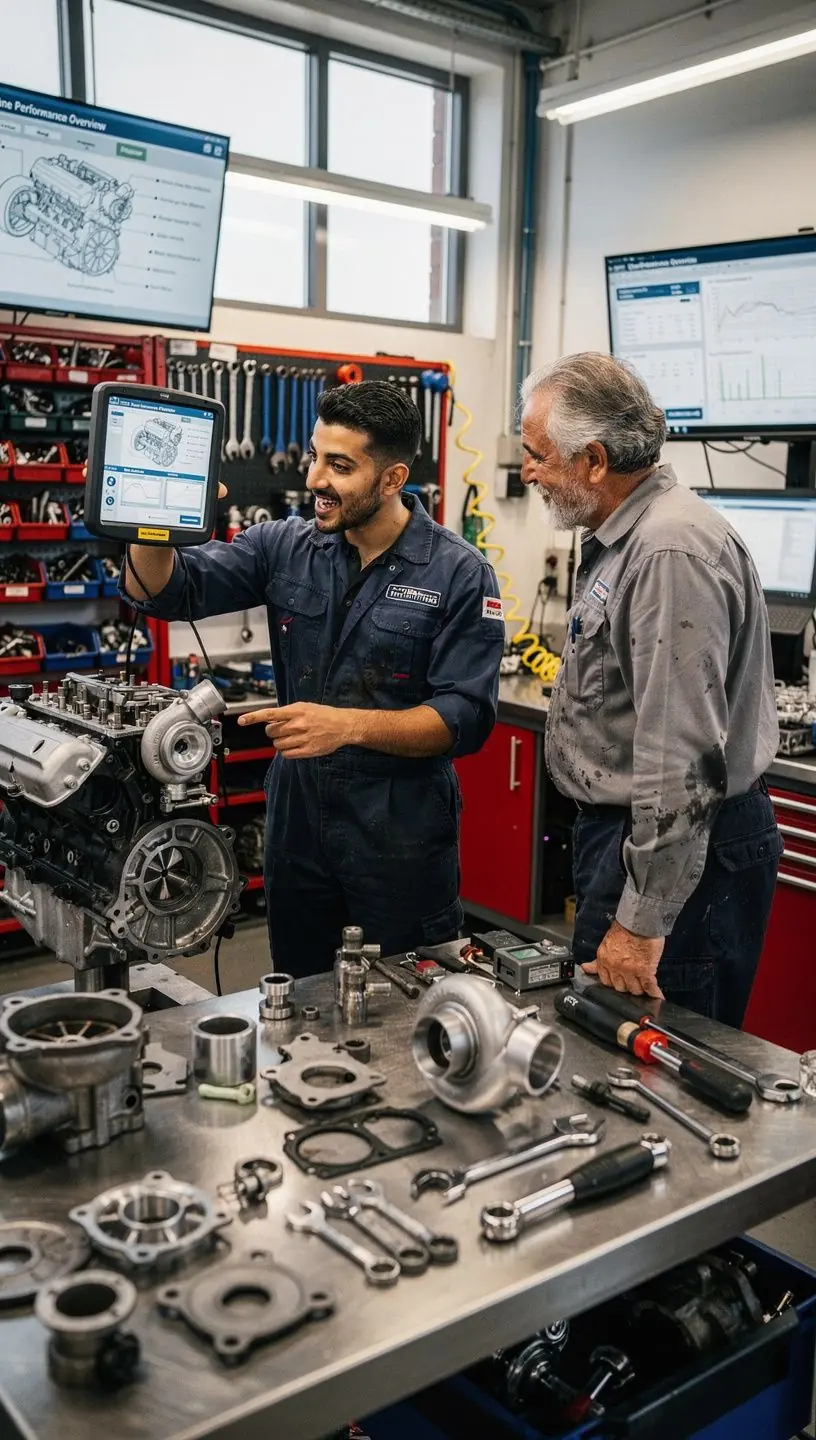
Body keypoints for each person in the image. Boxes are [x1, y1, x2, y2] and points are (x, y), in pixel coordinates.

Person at [123, 380, 504, 977]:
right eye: (314, 456)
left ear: (392, 478)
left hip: (399, 839)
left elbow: (466, 718)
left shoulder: (460, 574)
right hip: (297, 830)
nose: (315, 479)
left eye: (339, 465)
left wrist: (347, 726)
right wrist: (155, 519)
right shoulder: (285, 546)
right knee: (297, 1000)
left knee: (399, 1010)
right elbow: (165, 590)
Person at [520, 352, 782, 1027]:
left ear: (596, 461)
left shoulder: (668, 551)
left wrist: (639, 923)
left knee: (665, 1060)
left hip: (681, 858)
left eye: (538, 455)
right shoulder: (623, 537)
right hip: (634, 844)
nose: (529, 472)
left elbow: (681, 761)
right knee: (614, 1054)